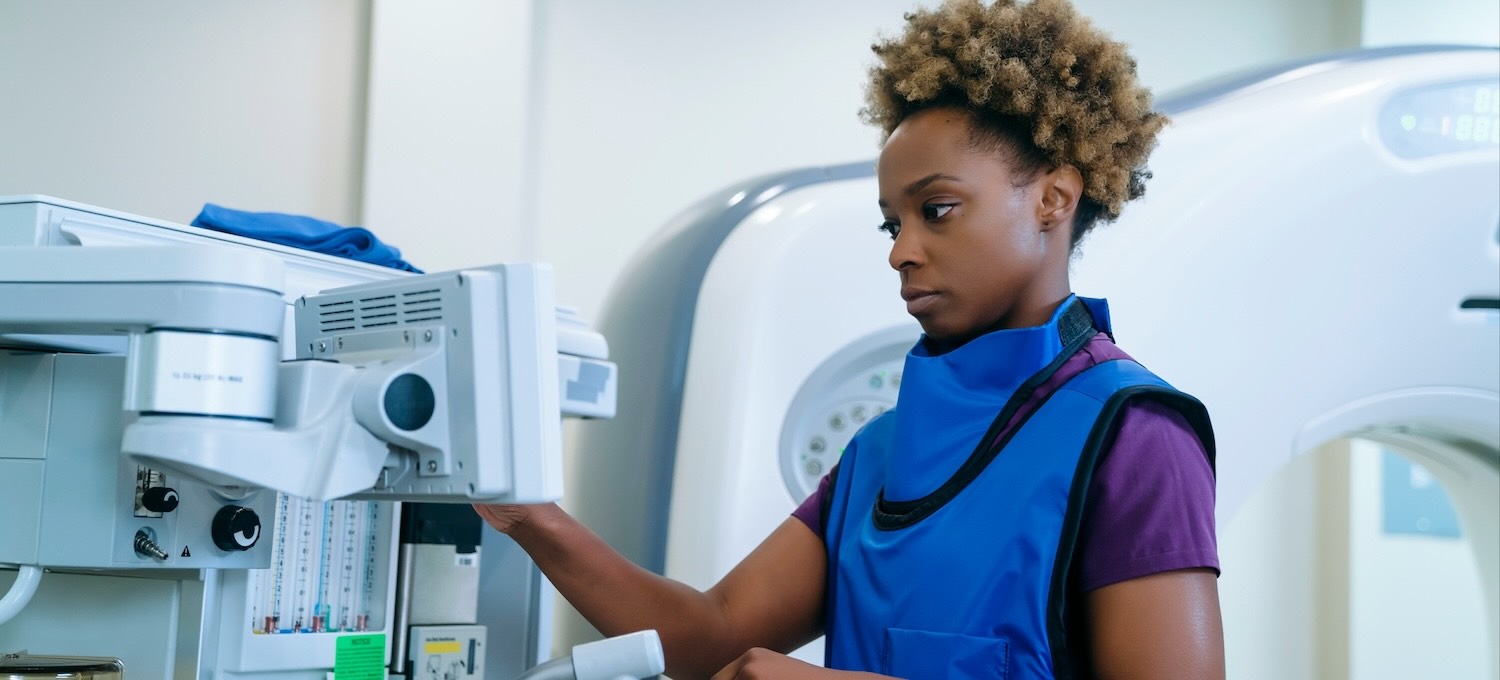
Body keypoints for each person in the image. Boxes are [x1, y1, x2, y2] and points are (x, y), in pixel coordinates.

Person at [476, 0, 1224, 677]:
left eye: (936, 209)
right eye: (891, 223)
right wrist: (528, 517)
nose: (900, 250)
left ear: (1054, 199)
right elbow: (709, 636)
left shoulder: (1134, 435)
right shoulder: (878, 456)